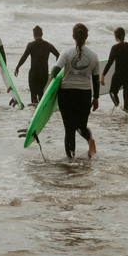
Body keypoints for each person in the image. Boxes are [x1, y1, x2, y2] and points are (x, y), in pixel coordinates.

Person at [50, 23, 101, 159]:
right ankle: (89, 139)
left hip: (66, 94)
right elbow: (95, 80)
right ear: (86, 37)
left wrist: (48, 91)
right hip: (84, 94)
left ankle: (71, 161)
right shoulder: (94, 56)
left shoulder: (66, 52)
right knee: (81, 125)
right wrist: (96, 98)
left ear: (73, 36)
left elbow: (55, 71)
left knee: (69, 129)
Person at [101, 27, 128, 112]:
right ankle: (127, 114)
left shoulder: (115, 48)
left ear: (115, 36)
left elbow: (110, 62)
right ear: (124, 35)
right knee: (127, 96)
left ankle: (118, 105)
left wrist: (103, 75)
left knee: (112, 92)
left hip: (119, 74)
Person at [14, 25, 59, 105]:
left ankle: (33, 113)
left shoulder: (31, 45)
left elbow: (24, 57)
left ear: (34, 35)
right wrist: (56, 69)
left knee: (33, 95)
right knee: (41, 94)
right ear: (42, 34)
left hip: (34, 74)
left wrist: (17, 67)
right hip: (44, 74)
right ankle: (40, 112)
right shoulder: (48, 45)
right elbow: (58, 55)